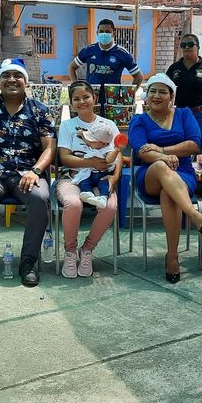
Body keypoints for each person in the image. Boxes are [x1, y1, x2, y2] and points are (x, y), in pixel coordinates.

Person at [0, 58, 55, 287]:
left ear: (26, 81)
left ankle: (28, 262)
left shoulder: (40, 110)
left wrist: (35, 171)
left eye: (17, 75)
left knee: (40, 198)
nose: (12, 80)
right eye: (6, 75)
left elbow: (49, 148)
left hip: (28, 175)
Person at [128, 73, 202, 284]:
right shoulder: (139, 120)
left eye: (162, 92)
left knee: (169, 194)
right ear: (146, 96)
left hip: (183, 173)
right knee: (160, 166)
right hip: (150, 174)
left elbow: (194, 144)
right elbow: (142, 151)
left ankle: (172, 256)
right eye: (152, 91)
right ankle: (193, 214)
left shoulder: (184, 114)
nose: (156, 96)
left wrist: (163, 149)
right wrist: (164, 158)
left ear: (172, 97)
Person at [56, 81, 122, 279]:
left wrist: (114, 176)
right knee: (73, 203)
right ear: (71, 103)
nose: (82, 101)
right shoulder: (67, 126)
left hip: (102, 177)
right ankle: (70, 251)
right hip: (72, 176)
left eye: (86, 97)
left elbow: (118, 153)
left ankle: (87, 250)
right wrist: (90, 162)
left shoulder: (109, 125)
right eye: (76, 99)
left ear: (94, 98)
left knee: (109, 206)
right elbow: (64, 158)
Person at [68, 18, 144, 112]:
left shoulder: (122, 53)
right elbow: (71, 67)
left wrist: (128, 96)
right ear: (97, 33)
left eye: (107, 31)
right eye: (101, 31)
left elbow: (139, 76)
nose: (104, 34)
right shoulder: (88, 50)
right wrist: (76, 86)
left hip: (112, 101)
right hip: (91, 100)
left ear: (114, 33)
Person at [166, 33, 202, 132]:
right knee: (179, 140)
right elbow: (166, 91)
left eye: (190, 44)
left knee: (197, 140)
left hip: (201, 115)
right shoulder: (174, 68)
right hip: (179, 114)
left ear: (198, 47)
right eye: (183, 45)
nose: (186, 47)